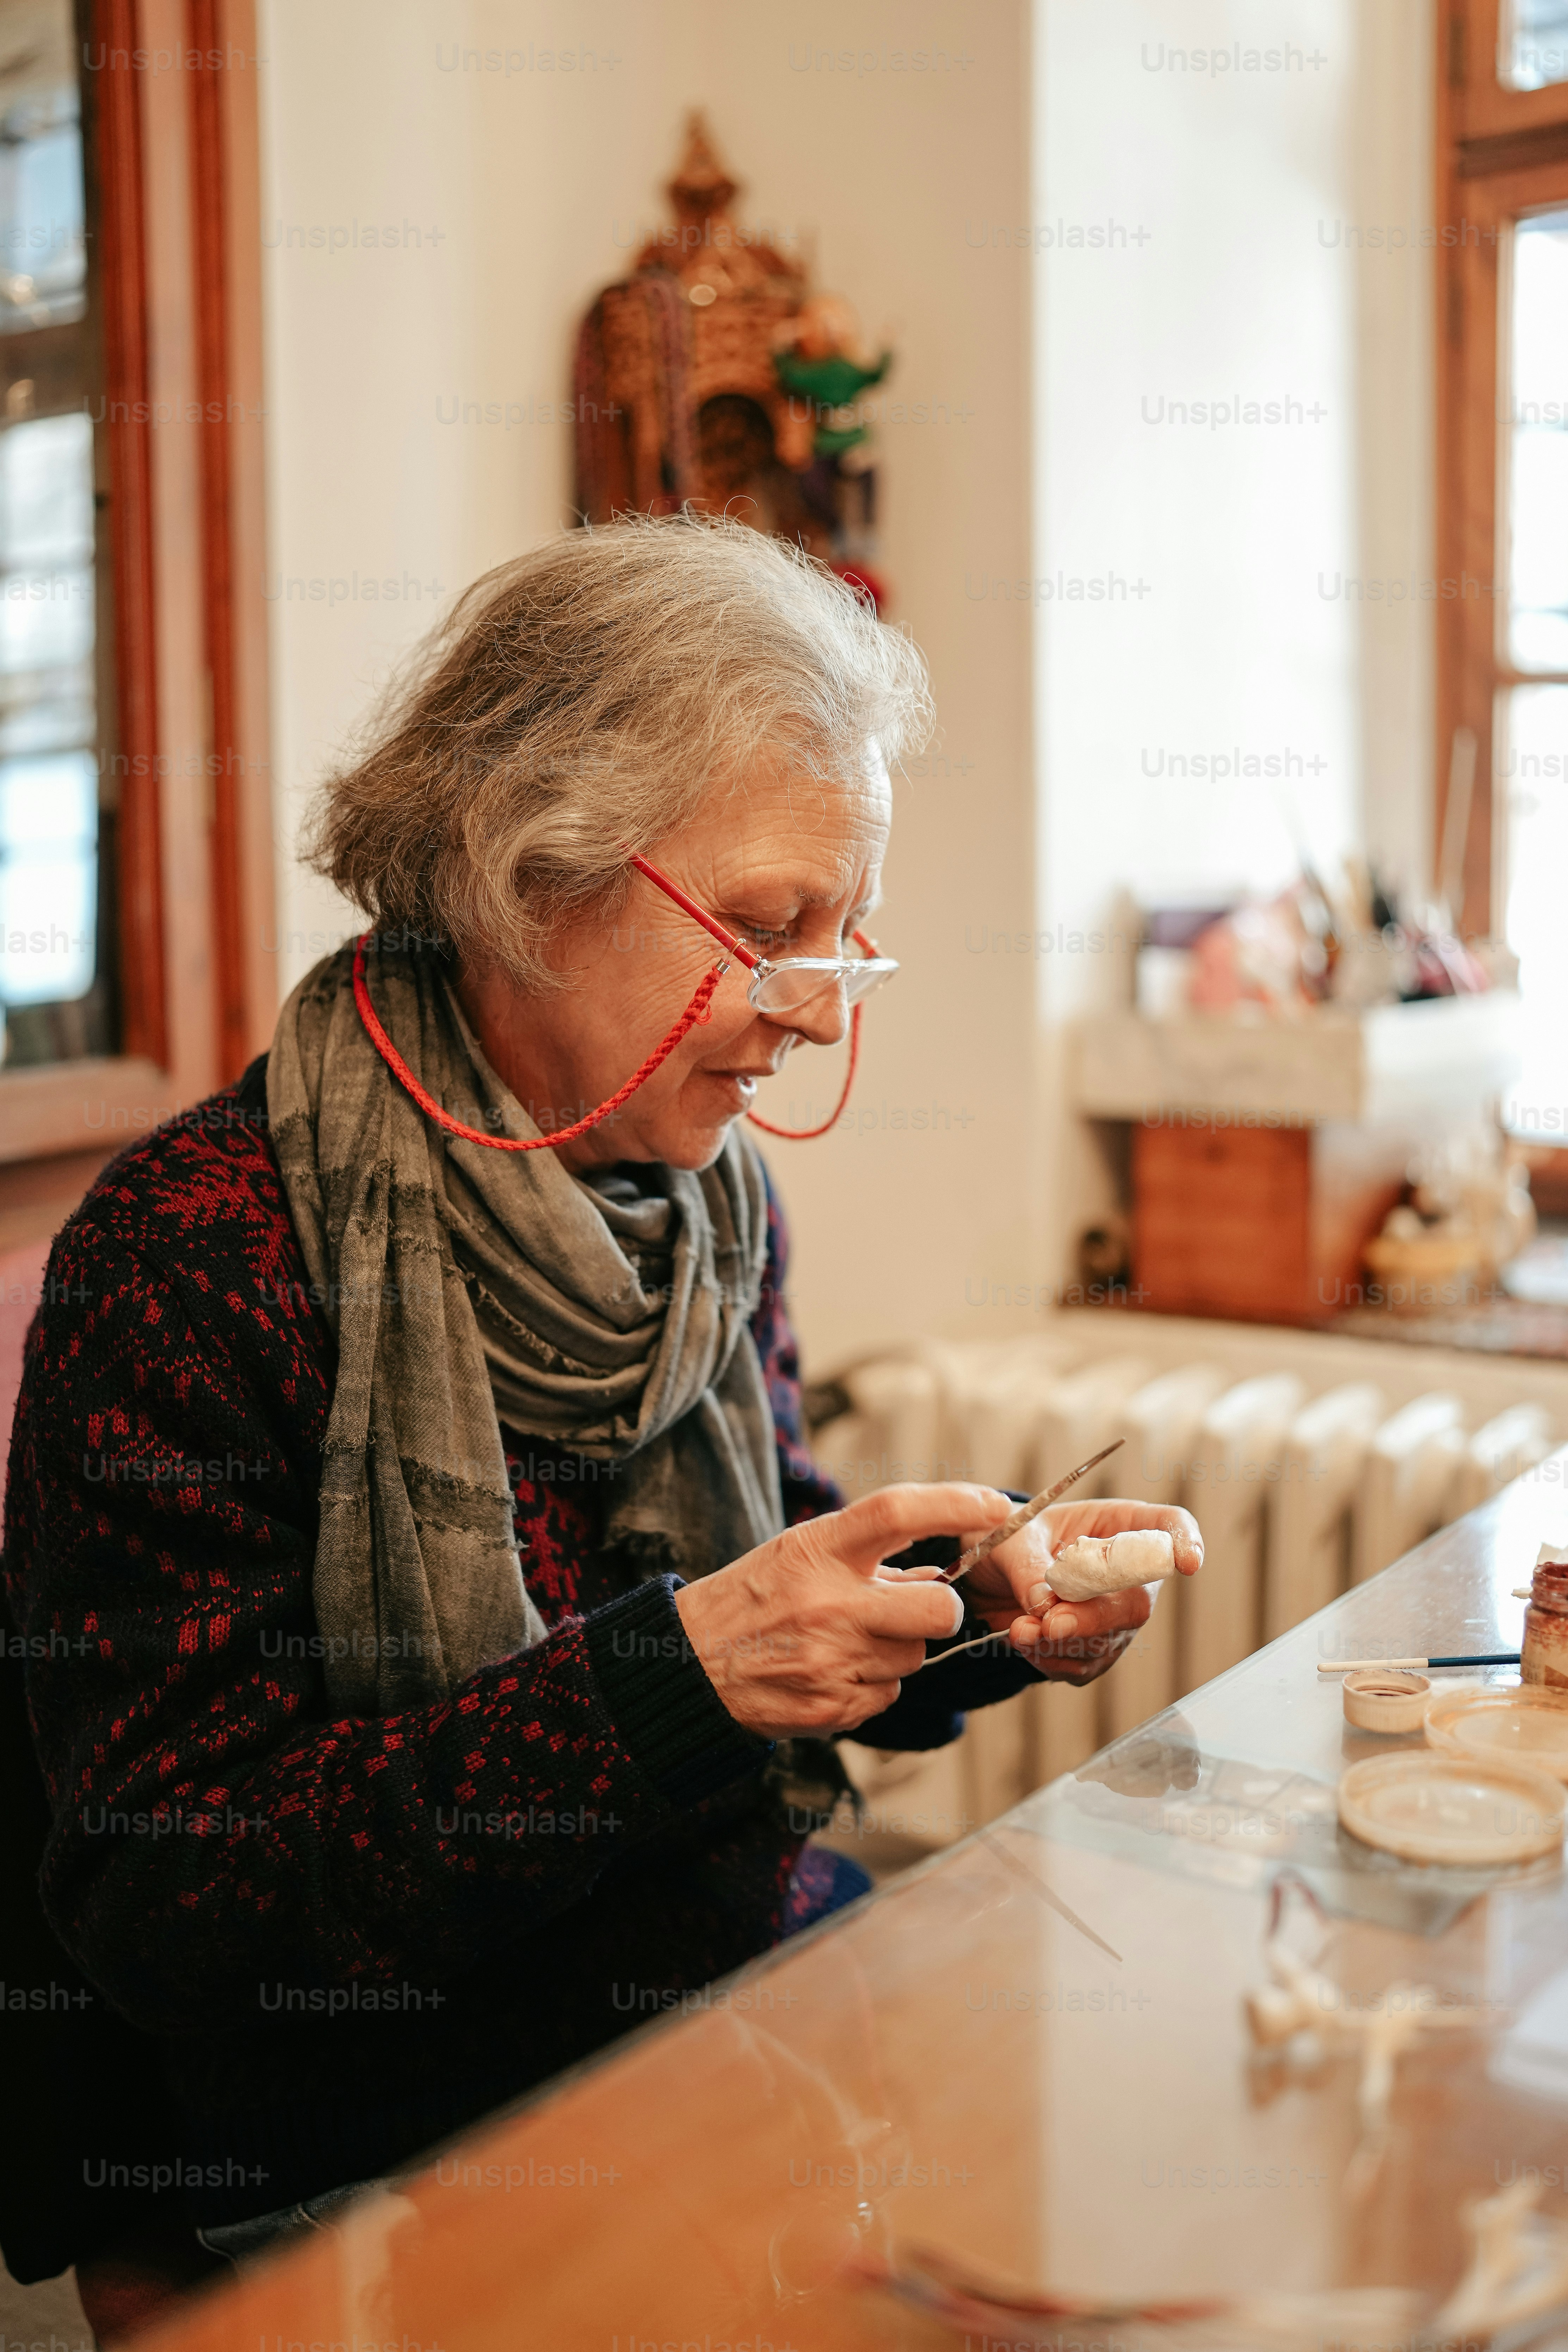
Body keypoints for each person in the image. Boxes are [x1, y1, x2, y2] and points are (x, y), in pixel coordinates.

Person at [1, 516, 1199, 2331]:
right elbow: (173, 1904)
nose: (811, 1006)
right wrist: (684, 1679)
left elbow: (768, 1561)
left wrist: (975, 1599)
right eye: (765, 927)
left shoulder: (703, 1206)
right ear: (520, 872)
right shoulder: (193, 1255)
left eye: (845, 934)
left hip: (714, 2021)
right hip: (354, 2151)